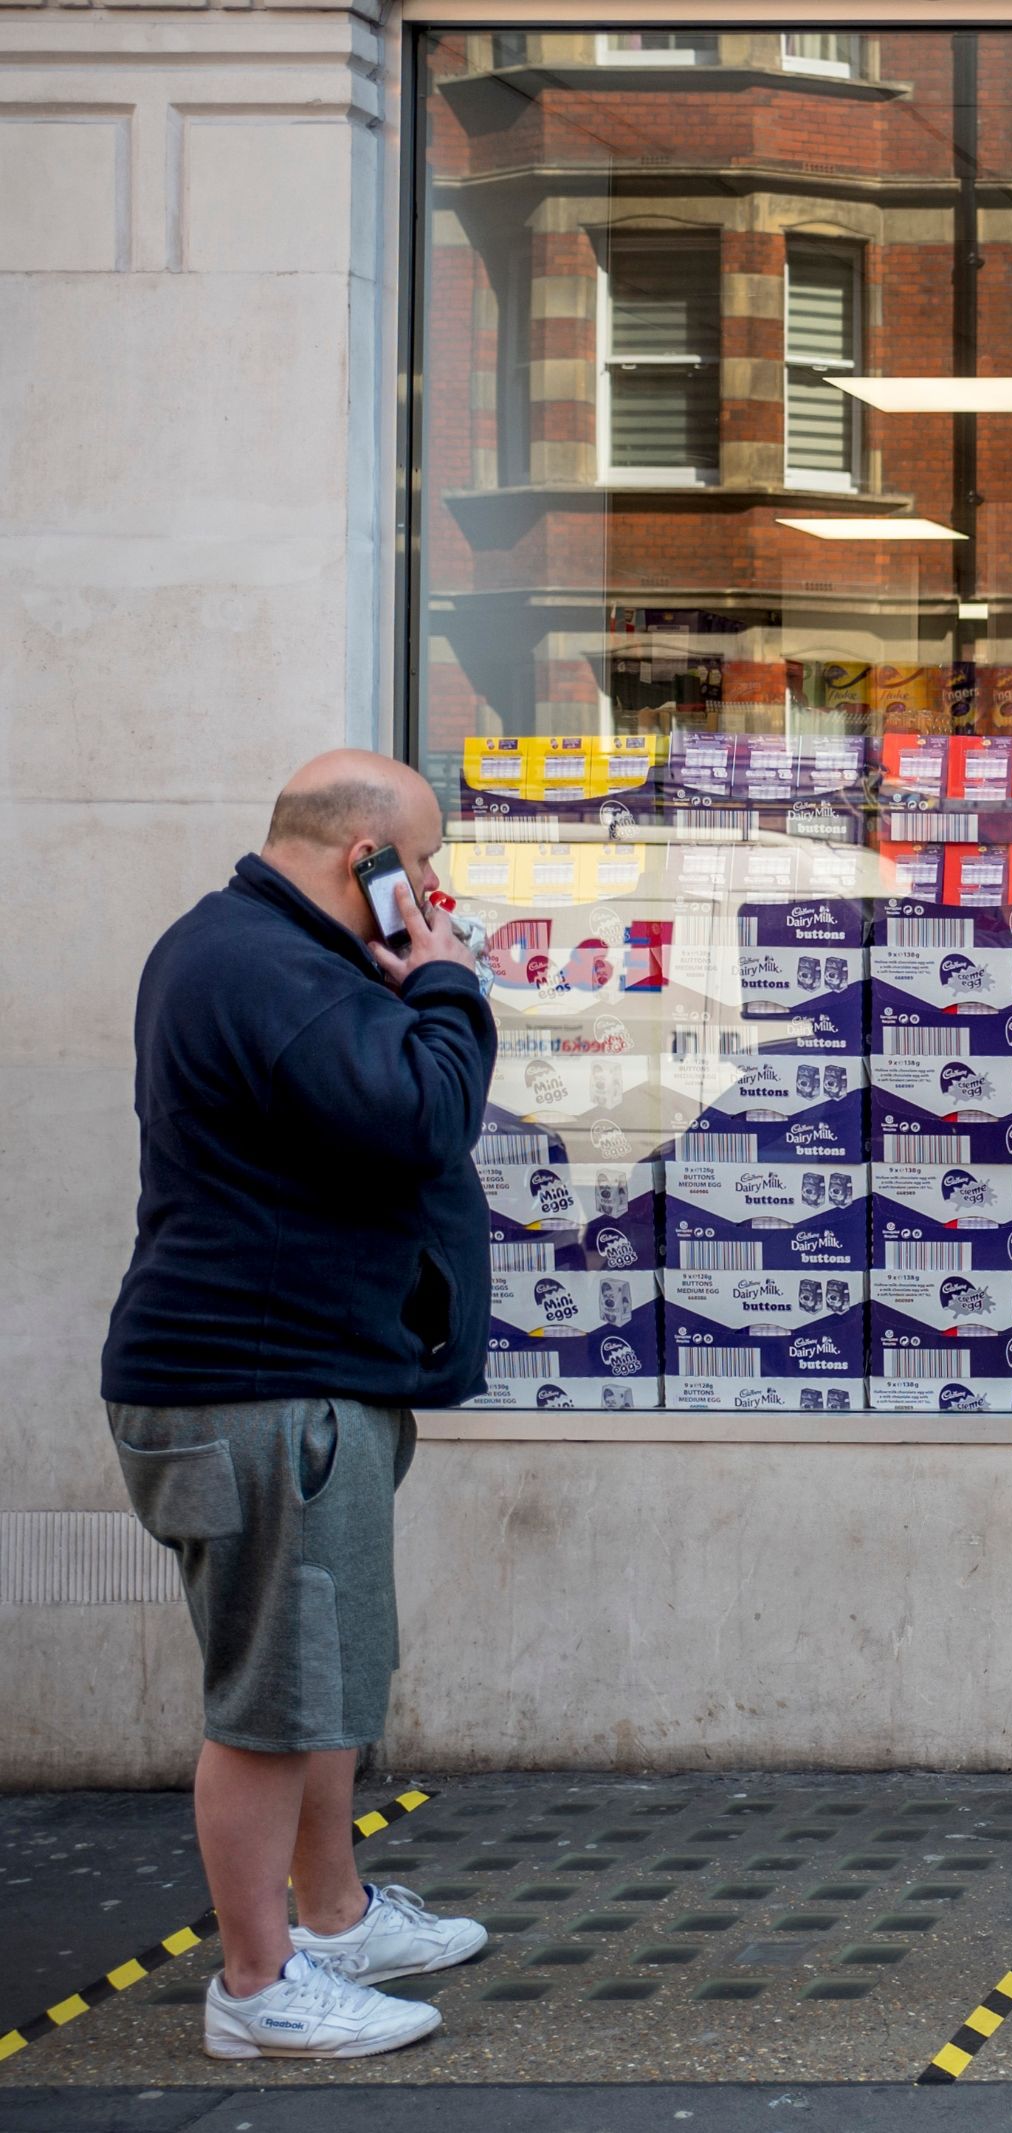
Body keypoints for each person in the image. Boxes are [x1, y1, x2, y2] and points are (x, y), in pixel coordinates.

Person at [100, 751, 499, 2059]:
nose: (434, 891)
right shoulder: (265, 970)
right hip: (261, 1385)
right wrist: (440, 980)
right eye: (421, 866)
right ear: (362, 861)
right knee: (275, 1699)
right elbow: (420, 1115)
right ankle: (259, 1987)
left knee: (324, 1675)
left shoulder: (272, 958)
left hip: (302, 1379)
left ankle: (328, 1915)